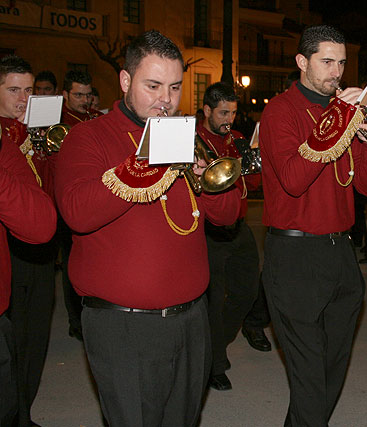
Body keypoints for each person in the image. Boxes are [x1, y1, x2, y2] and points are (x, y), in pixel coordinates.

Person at [55, 30, 241, 426]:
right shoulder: (88, 137)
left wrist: (205, 177)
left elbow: (227, 216)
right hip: (123, 324)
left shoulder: (185, 136)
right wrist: (141, 165)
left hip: (192, 318)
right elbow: (76, 212)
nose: (166, 100)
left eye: (174, 87)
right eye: (153, 85)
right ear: (125, 81)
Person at [259, 24, 367, 426]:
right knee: (310, 375)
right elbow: (294, 180)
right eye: (327, 61)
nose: (337, 72)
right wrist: (335, 125)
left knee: (329, 369)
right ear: (301, 62)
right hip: (295, 254)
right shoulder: (280, 110)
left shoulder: (343, 112)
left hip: (340, 253)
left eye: (342, 63)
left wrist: (365, 137)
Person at [0, 55, 58, 427]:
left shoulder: (34, 129)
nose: (23, 99)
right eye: (13, 90)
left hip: (40, 241)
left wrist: (46, 150)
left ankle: (25, 410)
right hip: (12, 247)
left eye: (28, 90)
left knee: (36, 334)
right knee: (14, 340)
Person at [196, 81, 262, 391]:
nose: (229, 120)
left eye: (233, 113)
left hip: (238, 225)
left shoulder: (236, 138)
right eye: (223, 112)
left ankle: (212, 346)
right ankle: (214, 363)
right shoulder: (194, 139)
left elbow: (257, 182)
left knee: (246, 292)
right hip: (209, 231)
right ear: (207, 110)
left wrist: (255, 160)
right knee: (212, 299)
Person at [59, 71, 104, 342]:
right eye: (78, 95)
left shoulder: (96, 118)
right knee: (71, 259)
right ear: (65, 95)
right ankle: (76, 318)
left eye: (88, 95)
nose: (85, 100)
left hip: (96, 191)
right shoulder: (60, 120)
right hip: (71, 195)